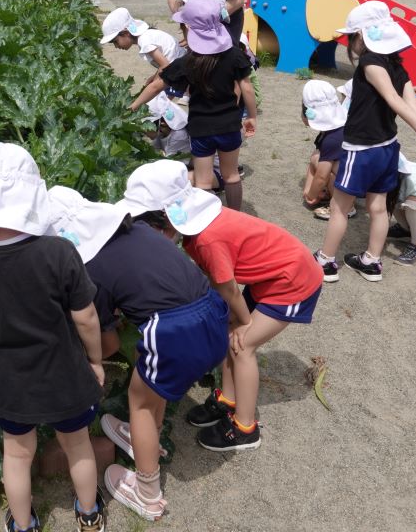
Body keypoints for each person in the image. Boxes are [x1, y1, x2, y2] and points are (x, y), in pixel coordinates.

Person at [0, 143, 107, 532]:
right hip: (65, 374)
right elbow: (86, 317)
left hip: (9, 381)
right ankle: (89, 515)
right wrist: (96, 361)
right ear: (32, 195)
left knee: (16, 455)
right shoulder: (59, 252)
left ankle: (23, 524)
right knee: (77, 444)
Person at [45, 187, 228, 522]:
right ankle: (147, 438)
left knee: (140, 402)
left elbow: (109, 345)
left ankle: (147, 493)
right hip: (213, 313)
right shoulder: (138, 229)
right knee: (150, 385)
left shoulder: (91, 271)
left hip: (173, 332)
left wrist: (82, 355)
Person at [117, 160, 324, 453]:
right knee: (230, 333)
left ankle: (245, 428)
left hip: (293, 280)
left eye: (148, 225)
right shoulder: (197, 226)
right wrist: (233, 320)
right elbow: (219, 281)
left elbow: (227, 287)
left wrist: (244, 322)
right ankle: (228, 399)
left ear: (166, 217)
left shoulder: (206, 239)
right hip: (270, 275)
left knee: (242, 345)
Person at [313, 1, 416, 283]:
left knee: (339, 207)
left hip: (361, 149)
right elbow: (411, 101)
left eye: (352, 36)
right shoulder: (398, 65)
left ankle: (325, 261)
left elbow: (394, 99)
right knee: (378, 207)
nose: (350, 43)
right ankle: (371, 262)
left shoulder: (370, 63)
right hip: (387, 147)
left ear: (362, 36)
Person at [128, 0, 256, 210]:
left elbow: (157, 85)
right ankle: (236, 215)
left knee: (203, 181)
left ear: (190, 30)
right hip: (229, 125)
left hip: (201, 129)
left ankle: (205, 218)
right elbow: (246, 87)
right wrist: (251, 116)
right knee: (232, 175)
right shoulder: (234, 54)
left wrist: (134, 105)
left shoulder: (188, 61)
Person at [300, 79, 356, 227]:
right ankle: (326, 195)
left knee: (326, 167)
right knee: (317, 156)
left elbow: (321, 176)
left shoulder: (331, 139)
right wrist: (309, 190)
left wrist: (311, 194)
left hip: (355, 181)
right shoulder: (337, 128)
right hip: (358, 175)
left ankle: (344, 207)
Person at [99, 8, 186, 88]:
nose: (116, 46)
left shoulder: (144, 41)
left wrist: (153, 84)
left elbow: (165, 65)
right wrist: (154, 77)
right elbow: (165, 63)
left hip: (183, 71)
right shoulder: (146, 35)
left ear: (126, 33)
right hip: (181, 66)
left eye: (115, 41)